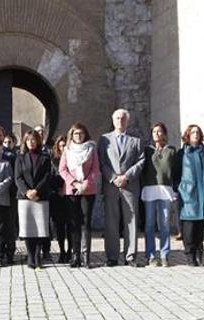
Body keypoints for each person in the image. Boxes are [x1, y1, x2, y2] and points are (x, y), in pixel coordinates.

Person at [99, 109, 146, 267]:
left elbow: (141, 161)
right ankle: (112, 257)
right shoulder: (104, 140)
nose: (120, 121)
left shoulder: (136, 141)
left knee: (131, 221)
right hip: (111, 186)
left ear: (127, 121)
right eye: (117, 118)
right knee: (111, 222)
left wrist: (126, 177)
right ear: (113, 120)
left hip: (130, 185)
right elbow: (102, 162)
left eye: (123, 119)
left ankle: (130, 256)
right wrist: (113, 178)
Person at [59, 123, 100, 268]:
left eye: (81, 133)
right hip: (72, 190)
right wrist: (74, 183)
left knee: (86, 223)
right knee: (74, 223)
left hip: (88, 190)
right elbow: (62, 169)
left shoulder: (92, 148)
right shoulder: (67, 150)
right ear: (72, 135)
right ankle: (75, 256)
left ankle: (86, 256)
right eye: (76, 134)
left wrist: (85, 184)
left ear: (85, 134)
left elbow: (95, 169)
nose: (79, 136)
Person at [175, 125, 204, 266]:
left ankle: (199, 255)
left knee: (200, 227)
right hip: (188, 194)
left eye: (198, 132)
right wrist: (179, 188)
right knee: (189, 227)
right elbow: (176, 174)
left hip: (203, 193)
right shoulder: (181, 153)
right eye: (193, 132)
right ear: (187, 135)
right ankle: (189, 255)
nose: (196, 134)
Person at [140, 123, 178, 267]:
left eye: (159, 131)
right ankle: (150, 255)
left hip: (165, 190)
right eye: (154, 131)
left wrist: (175, 189)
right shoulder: (147, 151)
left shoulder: (171, 151)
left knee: (165, 224)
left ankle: (164, 255)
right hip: (150, 190)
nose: (157, 134)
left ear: (164, 134)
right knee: (149, 224)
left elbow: (174, 171)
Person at [15, 130, 53, 269]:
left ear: (38, 141)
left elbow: (47, 176)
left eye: (33, 140)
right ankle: (30, 256)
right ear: (25, 141)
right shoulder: (20, 157)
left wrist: (37, 190)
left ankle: (38, 256)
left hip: (40, 196)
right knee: (27, 229)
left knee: (40, 229)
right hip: (25, 198)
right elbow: (18, 177)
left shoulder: (45, 156)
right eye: (28, 140)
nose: (31, 142)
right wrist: (27, 192)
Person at [0, 126, 17, 264]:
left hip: (9, 196)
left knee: (9, 226)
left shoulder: (11, 155)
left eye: (0, 135)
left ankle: (10, 254)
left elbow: (14, 177)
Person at [49, 135, 72, 264]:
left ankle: (70, 251)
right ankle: (62, 251)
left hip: (70, 195)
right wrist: (58, 189)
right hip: (56, 196)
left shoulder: (73, 158)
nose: (63, 148)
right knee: (59, 226)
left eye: (65, 145)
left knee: (70, 225)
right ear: (57, 146)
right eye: (61, 145)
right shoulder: (53, 160)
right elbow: (50, 176)